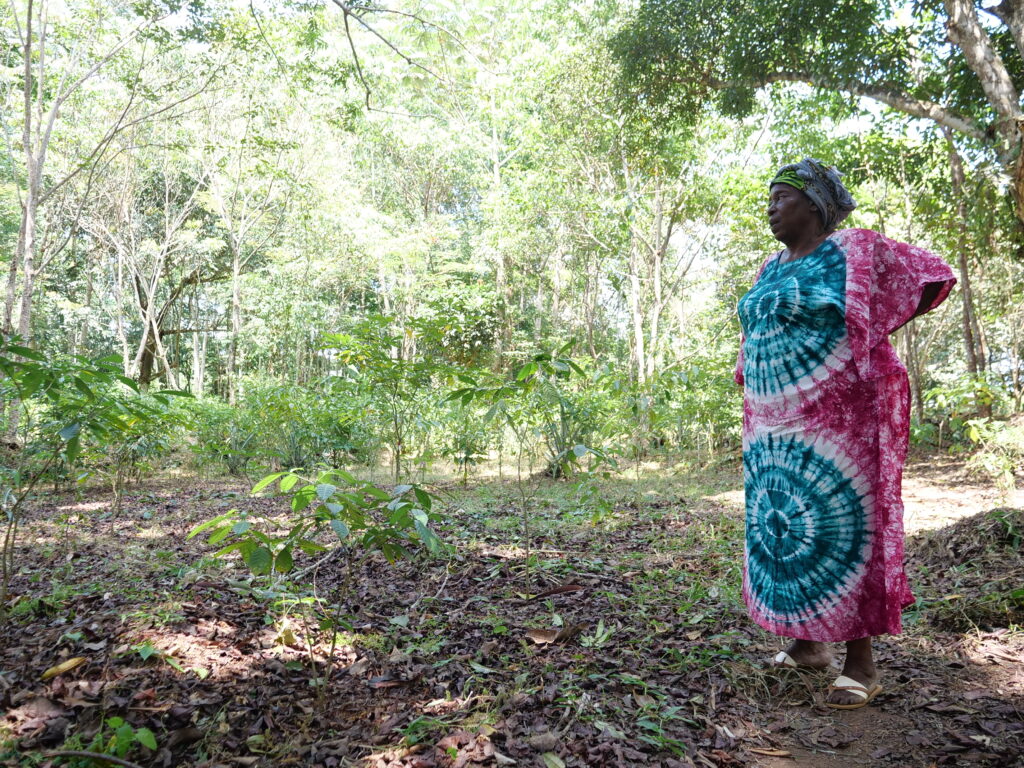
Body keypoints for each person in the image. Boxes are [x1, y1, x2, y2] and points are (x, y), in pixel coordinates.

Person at [734, 159, 956, 709]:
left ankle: (862, 663)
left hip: (839, 424)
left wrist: (870, 333)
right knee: (786, 528)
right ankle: (809, 645)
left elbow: (928, 275)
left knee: (840, 527)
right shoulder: (770, 267)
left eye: (781, 197)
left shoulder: (851, 249)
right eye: (769, 198)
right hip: (772, 428)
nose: (770, 207)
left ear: (813, 203)